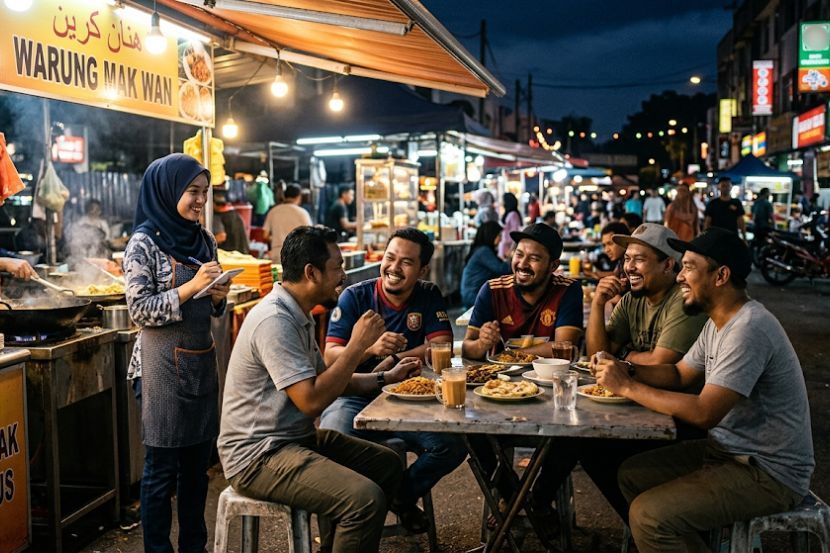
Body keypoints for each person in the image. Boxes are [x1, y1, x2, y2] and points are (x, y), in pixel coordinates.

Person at [598, 228, 813, 553]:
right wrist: (626, 368)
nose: (681, 276)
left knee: (649, 516)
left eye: (689, 267)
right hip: (728, 452)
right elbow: (679, 374)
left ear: (721, 275)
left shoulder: (748, 328)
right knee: (630, 475)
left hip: (767, 472)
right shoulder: (717, 321)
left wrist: (626, 386)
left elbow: (704, 412)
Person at [218, 226, 402, 553]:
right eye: (338, 268)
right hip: (258, 455)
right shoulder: (274, 321)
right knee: (364, 500)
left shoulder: (297, 313)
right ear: (310, 272)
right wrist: (358, 346)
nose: (343, 276)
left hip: (293, 440)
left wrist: (383, 378)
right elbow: (312, 401)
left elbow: (330, 380)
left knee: (387, 464)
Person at [319, 227, 466, 532]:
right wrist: (368, 348)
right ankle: (335, 535)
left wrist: (396, 357)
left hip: (409, 398)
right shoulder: (355, 295)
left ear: (422, 269)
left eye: (406, 262)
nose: (394, 268)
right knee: (331, 440)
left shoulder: (428, 294)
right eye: (390, 258)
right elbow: (330, 357)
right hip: (354, 395)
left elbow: (441, 346)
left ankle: (400, 497)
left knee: (452, 445)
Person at [123, 154, 230, 553]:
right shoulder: (143, 244)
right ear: (167, 192)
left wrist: (220, 296)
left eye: (205, 193)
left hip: (200, 361)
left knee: (196, 472)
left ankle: (193, 547)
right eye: (193, 192)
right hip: (158, 370)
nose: (201, 201)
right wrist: (190, 287)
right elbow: (140, 310)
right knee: (161, 472)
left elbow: (212, 306)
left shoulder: (204, 238)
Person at [463, 222, 583, 360]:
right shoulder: (492, 290)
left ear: (553, 266)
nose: (522, 264)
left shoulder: (567, 290)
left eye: (534, 258)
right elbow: (467, 349)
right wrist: (481, 344)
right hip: (500, 380)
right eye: (519, 254)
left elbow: (564, 348)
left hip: (550, 379)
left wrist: (510, 355)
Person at [460, 221, 510, 308]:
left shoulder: (481, 249)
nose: (501, 239)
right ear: (491, 235)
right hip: (473, 295)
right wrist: (512, 258)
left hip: (472, 293)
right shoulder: (484, 251)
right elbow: (503, 270)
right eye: (499, 235)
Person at [263, 183, 312, 263]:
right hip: (297, 254)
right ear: (299, 197)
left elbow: (265, 236)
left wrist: (277, 239)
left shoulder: (273, 211)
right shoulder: (302, 213)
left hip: (277, 254)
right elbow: (310, 236)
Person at [212, 187, 250, 254]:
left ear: (213, 203)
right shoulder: (236, 214)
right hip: (242, 255)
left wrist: (205, 244)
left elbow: (221, 237)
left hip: (229, 257)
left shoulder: (217, 216)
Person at [497, 192, 522, 259]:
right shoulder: (508, 213)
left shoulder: (513, 214)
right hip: (505, 245)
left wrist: (511, 250)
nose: (501, 202)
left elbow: (515, 232)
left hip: (508, 246)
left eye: (503, 200)